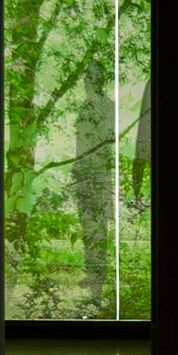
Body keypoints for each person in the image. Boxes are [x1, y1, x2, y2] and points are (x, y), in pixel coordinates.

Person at [74, 60, 114, 310]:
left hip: (99, 174)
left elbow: (107, 142)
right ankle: (92, 275)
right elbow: (80, 144)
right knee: (88, 226)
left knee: (99, 228)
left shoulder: (107, 108)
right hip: (84, 173)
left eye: (95, 77)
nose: (91, 81)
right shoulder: (83, 109)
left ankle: (99, 282)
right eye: (89, 77)